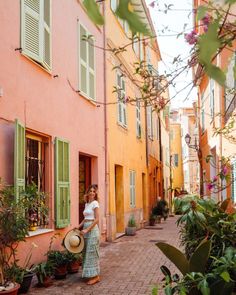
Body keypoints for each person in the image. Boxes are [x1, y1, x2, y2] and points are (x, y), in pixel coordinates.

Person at [77, 184, 100, 285]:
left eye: (93, 191)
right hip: (86, 227)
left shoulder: (95, 203)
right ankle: (90, 274)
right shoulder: (87, 204)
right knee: (86, 252)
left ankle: (95, 276)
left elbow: (96, 220)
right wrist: (78, 226)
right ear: (87, 192)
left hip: (93, 230)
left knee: (92, 252)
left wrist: (87, 230)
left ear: (95, 194)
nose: (92, 193)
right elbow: (85, 218)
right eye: (90, 191)